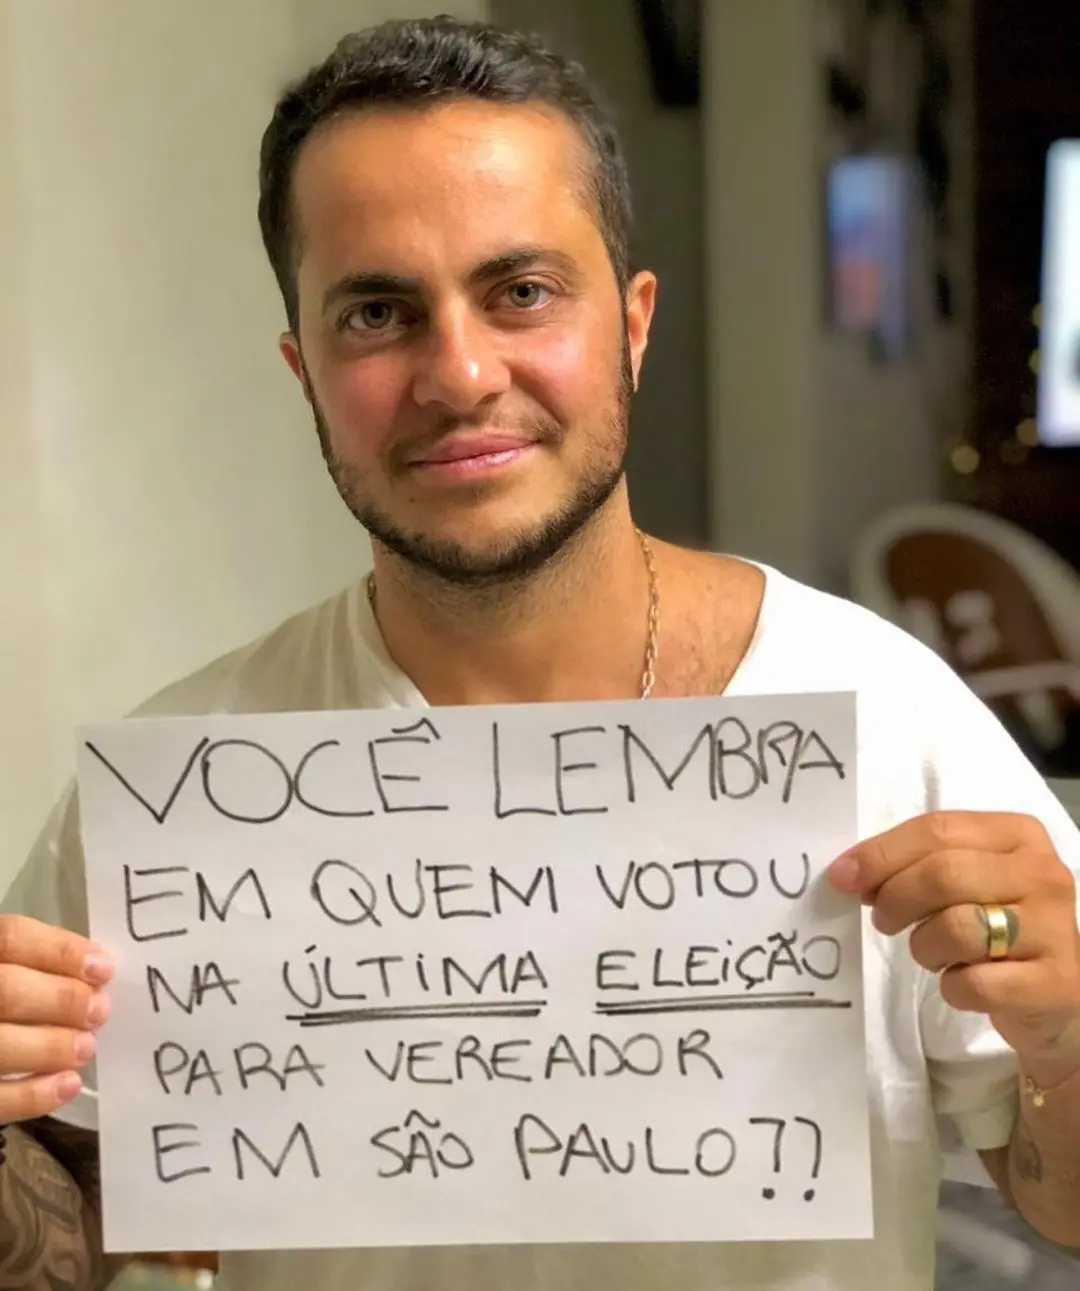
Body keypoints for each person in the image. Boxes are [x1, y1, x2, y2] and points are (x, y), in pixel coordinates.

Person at [1, 15, 1079, 1291]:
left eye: (520, 291)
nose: (460, 374)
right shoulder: (179, 794)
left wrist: (1065, 1038)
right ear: (304, 370)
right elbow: (67, 1224)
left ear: (632, 325)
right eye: (377, 312)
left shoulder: (884, 714)